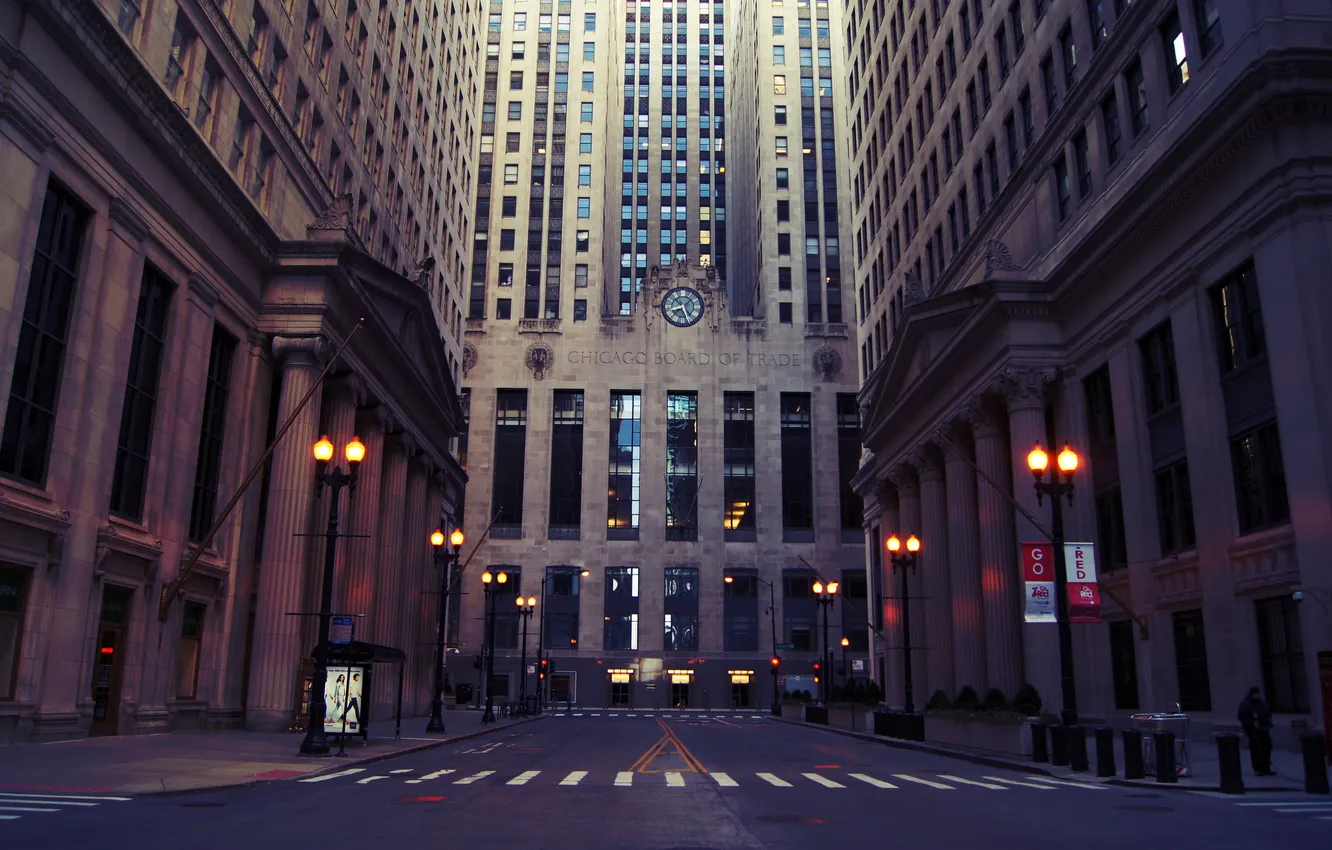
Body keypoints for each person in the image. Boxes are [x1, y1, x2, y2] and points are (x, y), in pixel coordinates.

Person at [1237, 686, 1275, 776]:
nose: (1257, 695)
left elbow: (1267, 713)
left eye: (1258, 693)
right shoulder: (1246, 704)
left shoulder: (1261, 703)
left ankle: (1266, 767)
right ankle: (1258, 768)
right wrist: (1252, 722)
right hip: (1253, 730)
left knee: (1267, 746)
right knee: (1256, 747)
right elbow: (1242, 717)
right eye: (1255, 694)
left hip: (1263, 728)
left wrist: (1269, 721)